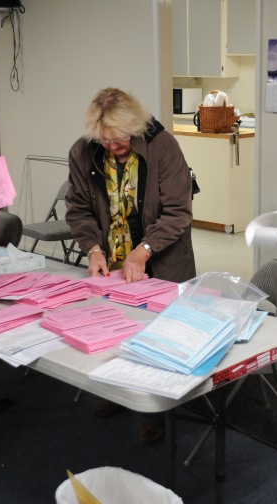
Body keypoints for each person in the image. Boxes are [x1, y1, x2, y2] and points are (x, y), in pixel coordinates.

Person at [65, 87, 196, 444]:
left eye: (120, 138)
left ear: (135, 126)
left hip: (163, 257)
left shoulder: (163, 146)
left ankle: (156, 410)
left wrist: (143, 251)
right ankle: (117, 390)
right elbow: (78, 208)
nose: (113, 146)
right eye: (105, 141)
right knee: (115, 331)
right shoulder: (82, 151)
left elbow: (178, 212)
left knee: (159, 338)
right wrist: (92, 248)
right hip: (114, 260)